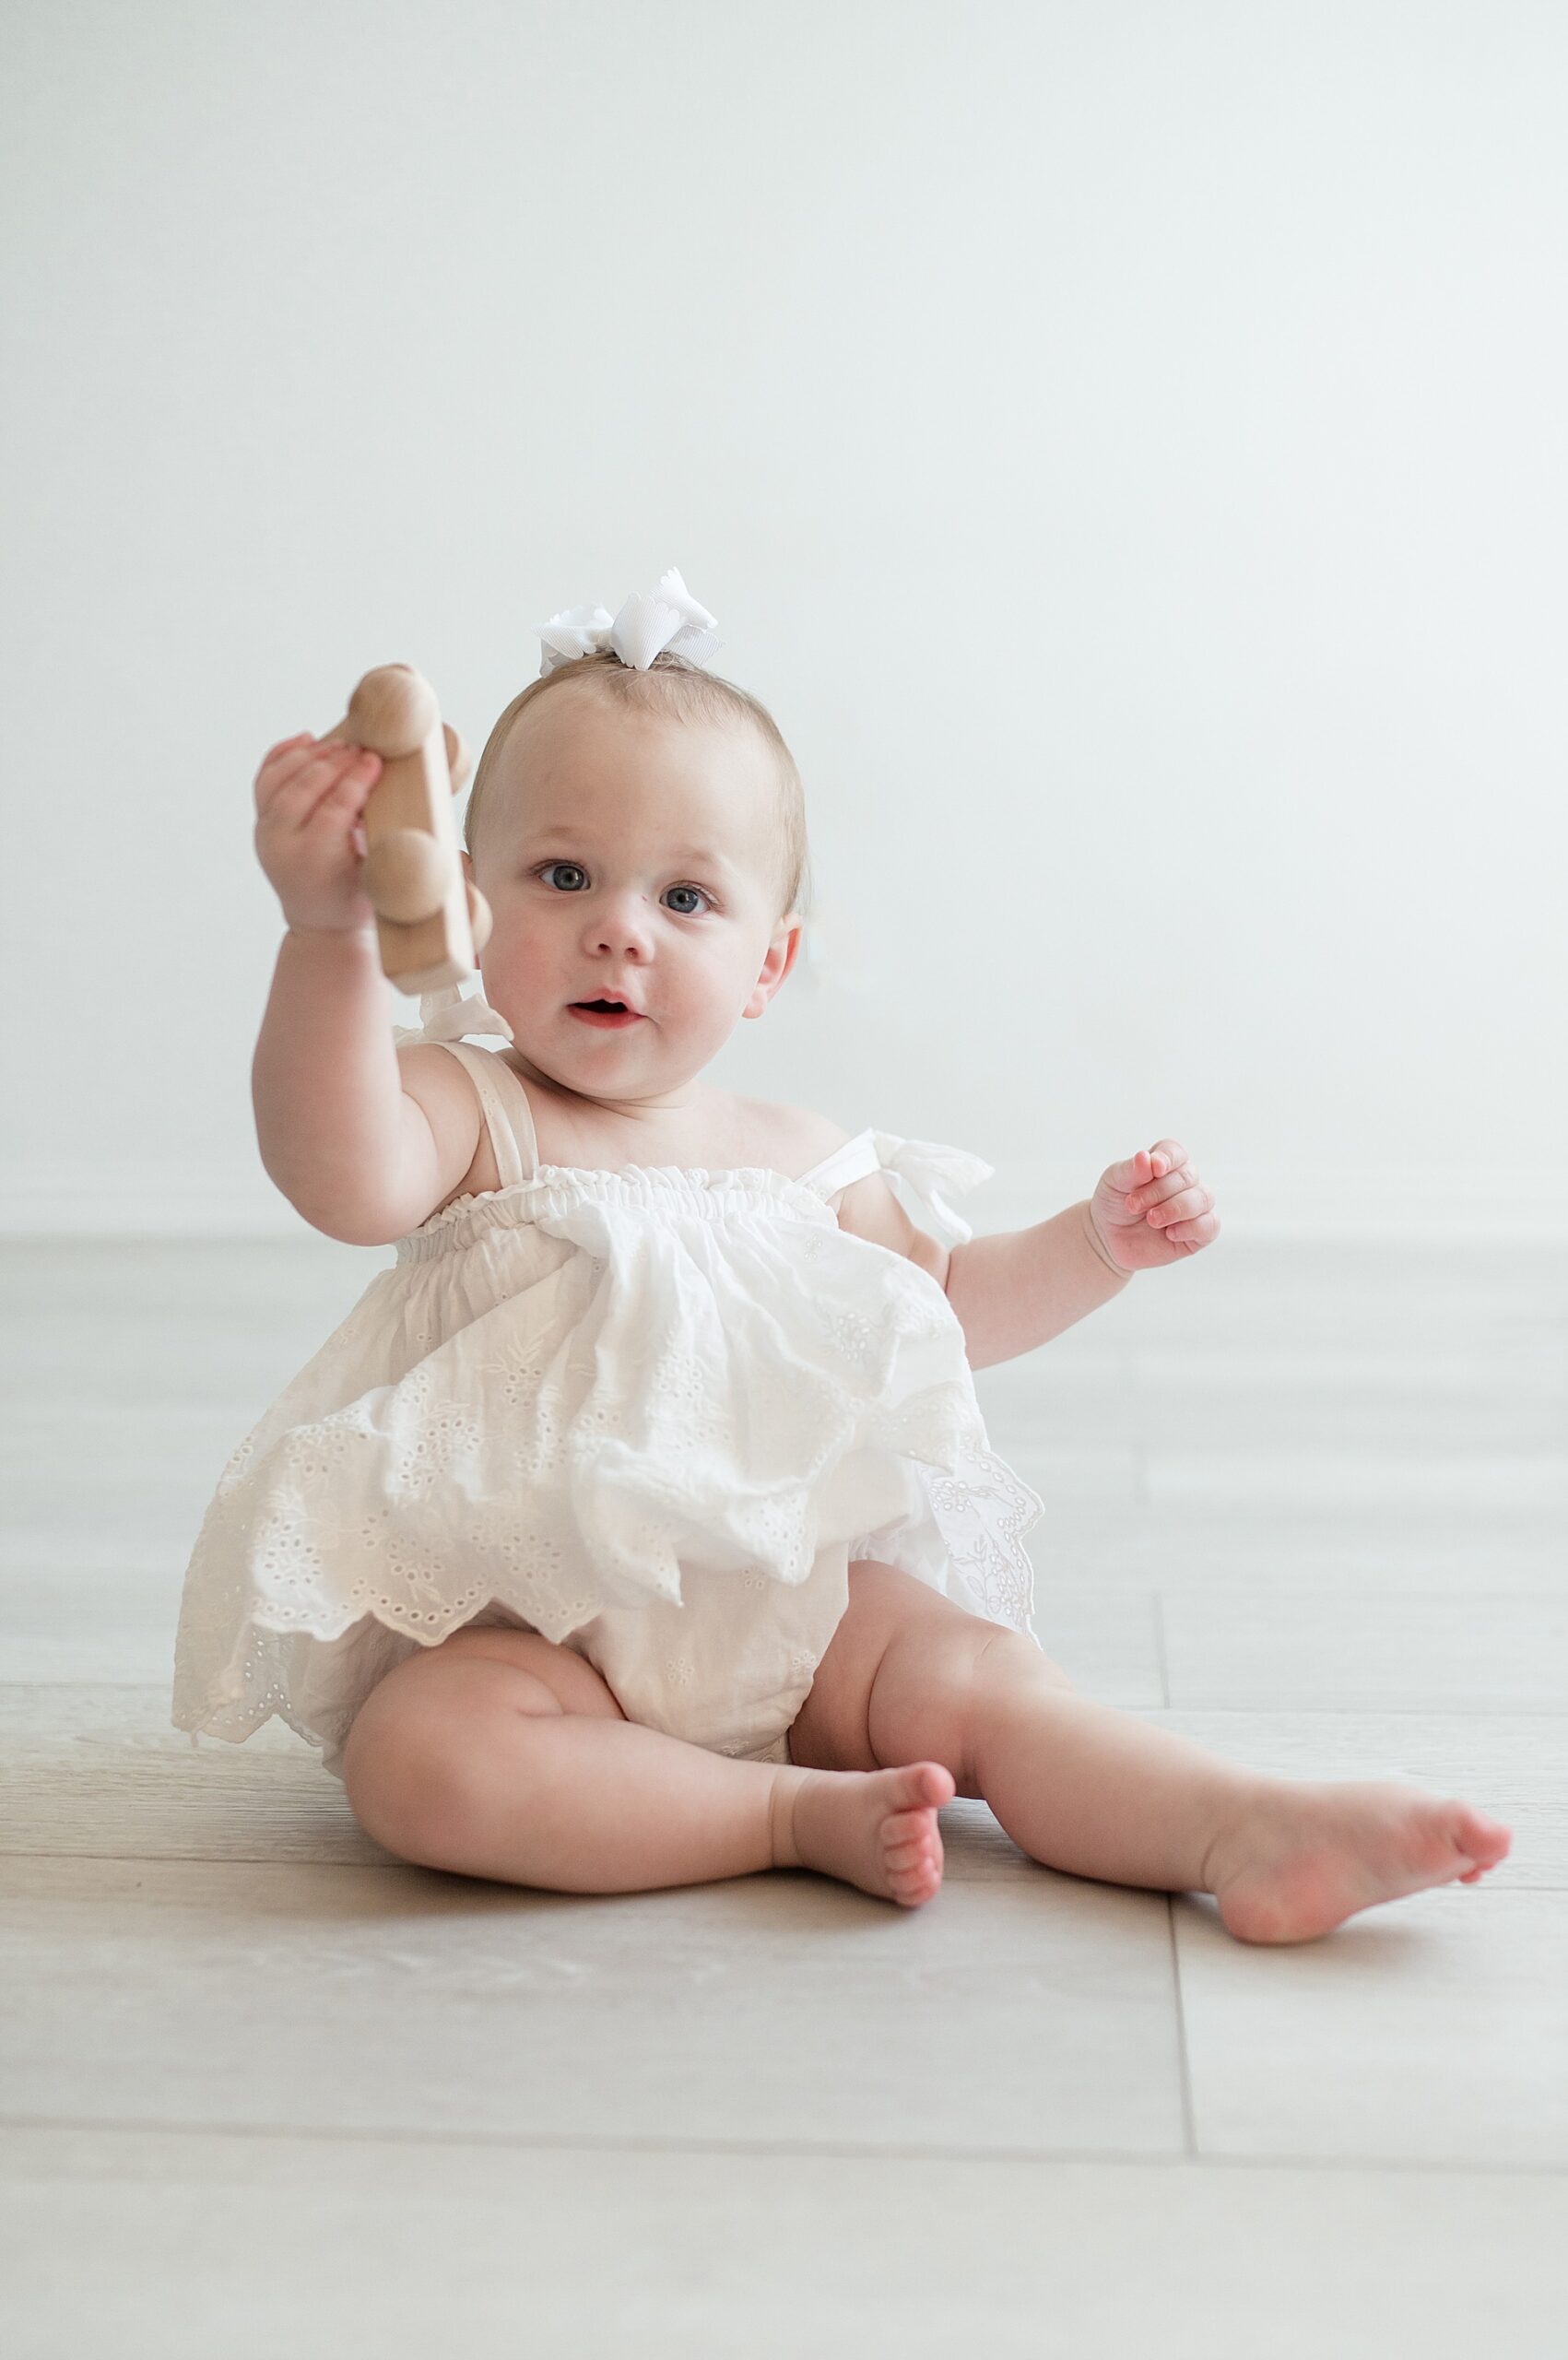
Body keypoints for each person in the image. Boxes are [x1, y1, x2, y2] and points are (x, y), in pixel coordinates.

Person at [171, 567, 1513, 1941]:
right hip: (538, 1640)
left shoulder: (798, 1158)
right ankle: (776, 1819)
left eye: (686, 898)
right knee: (422, 1766)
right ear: (463, 903)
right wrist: (325, 932)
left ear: (768, 964)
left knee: (988, 1682)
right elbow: (337, 1173)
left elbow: (935, 1311)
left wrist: (1090, 1245)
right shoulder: (474, 1113)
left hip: (794, 1612)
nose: (619, 925)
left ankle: (1244, 1824)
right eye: (562, 874)